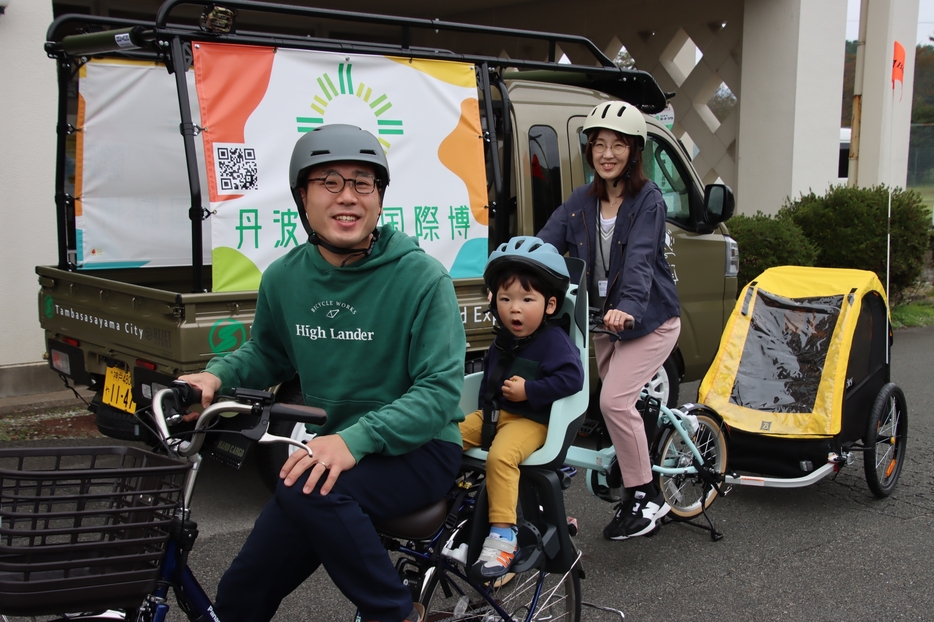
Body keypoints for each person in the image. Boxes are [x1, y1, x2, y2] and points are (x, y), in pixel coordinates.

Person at [179, 124, 466, 622]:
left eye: (362, 183)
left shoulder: (422, 279)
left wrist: (355, 439)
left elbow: (439, 392)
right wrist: (215, 378)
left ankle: (396, 614)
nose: (347, 197)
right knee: (240, 598)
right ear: (303, 199)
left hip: (420, 450)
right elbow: (268, 354)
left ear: (379, 199)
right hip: (332, 453)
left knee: (305, 486)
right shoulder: (285, 277)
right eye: (329, 182)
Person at [537, 101, 681, 541]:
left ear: (634, 151)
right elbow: (545, 241)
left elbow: (639, 259)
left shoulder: (648, 200)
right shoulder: (581, 200)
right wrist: (512, 272)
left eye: (618, 144)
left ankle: (646, 496)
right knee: (606, 400)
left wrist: (631, 306)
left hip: (648, 320)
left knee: (614, 402)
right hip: (603, 321)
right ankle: (634, 465)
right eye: (599, 144)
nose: (607, 153)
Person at [459, 236, 584, 580]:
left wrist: (531, 390)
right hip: (493, 416)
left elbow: (573, 379)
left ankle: (503, 534)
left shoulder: (553, 342)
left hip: (531, 422)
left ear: (549, 304)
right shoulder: (502, 339)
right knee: (445, 435)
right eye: (506, 298)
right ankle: (448, 503)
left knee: (501, 456)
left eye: (527, 299)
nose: (515, 308)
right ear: (493, 300)